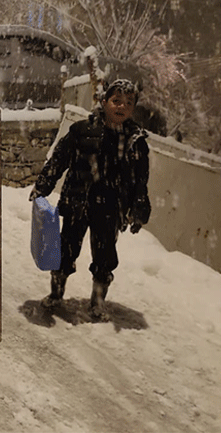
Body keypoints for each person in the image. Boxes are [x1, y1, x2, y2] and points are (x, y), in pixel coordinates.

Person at [30, 79, 151, 321]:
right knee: (66, 250)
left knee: (105, 257)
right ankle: (56, 293)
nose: (121, 107)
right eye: (116, 101)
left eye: (128, 103)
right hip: (78, 202)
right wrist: (43, 185)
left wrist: (139, 208)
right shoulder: (81, 131)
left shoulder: (134, 141)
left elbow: (140, 181)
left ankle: (97, 301)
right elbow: (58, 161)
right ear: (104, 102)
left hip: (110, 209)